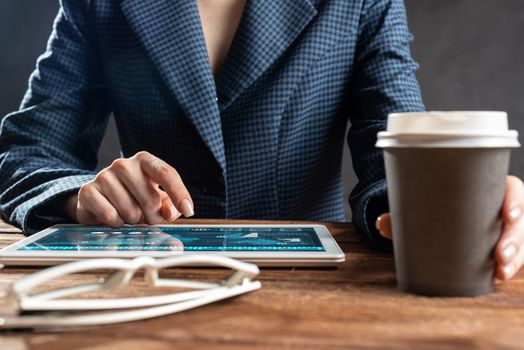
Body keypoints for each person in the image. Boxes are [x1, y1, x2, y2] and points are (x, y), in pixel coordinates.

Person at [0, 0, 522, 282]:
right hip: (141, 285)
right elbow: (30, 149)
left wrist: (443, 202)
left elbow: (394, 145)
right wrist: (80, 193)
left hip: (317, 290)